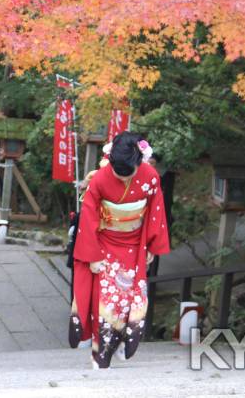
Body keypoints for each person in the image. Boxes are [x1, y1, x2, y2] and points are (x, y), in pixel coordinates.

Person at [69, 132, 170, 369]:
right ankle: (100, 351)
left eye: (130, 174)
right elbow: (89, 218)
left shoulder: (150, 177)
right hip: (104, 245)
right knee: (104, 299)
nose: (124, 180)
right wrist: (92, 255)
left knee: (132, 296)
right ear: (110, 160)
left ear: (139, 161)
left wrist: (151, 245)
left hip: (134, 245)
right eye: (118, 174)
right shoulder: (100, 179)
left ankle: (124, 342)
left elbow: (156, 211)